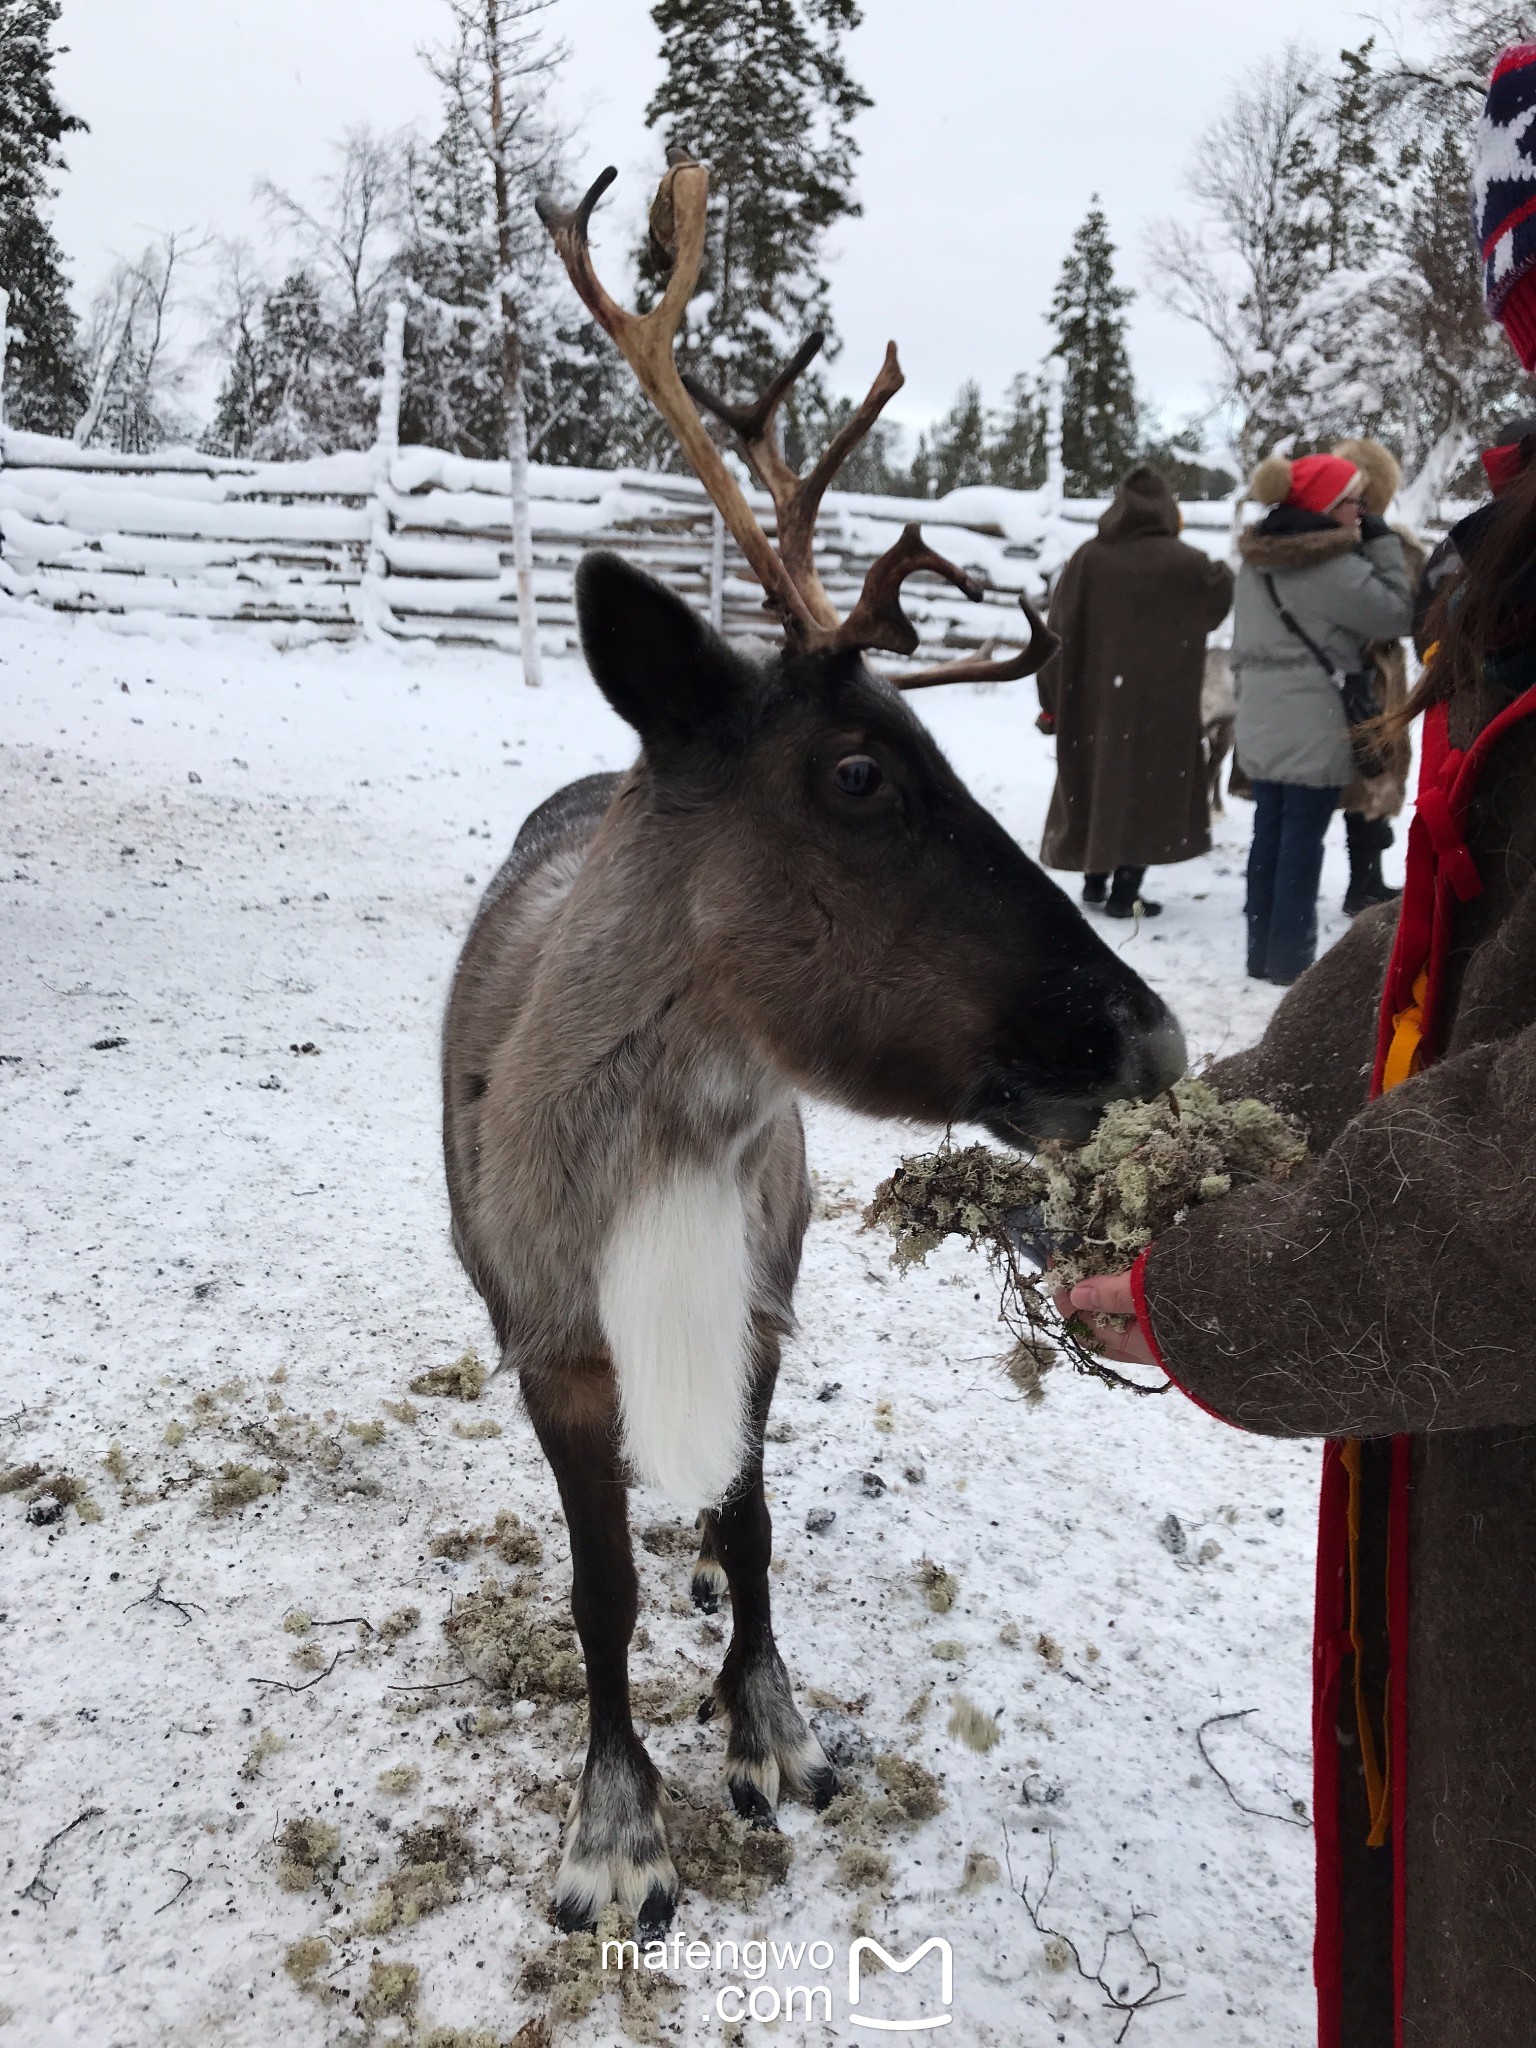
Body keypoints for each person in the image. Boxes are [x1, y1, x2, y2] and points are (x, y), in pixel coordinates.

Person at [1057, 44, 1536, 2043]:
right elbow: (1464, 932)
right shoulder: (1451, 554)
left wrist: (1234, 1277)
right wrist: (1248, 1111)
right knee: (1275, 878)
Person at [1231, 450, 1412, 982]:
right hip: (1313, 717)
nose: (1360, 511)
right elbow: (1396, 611)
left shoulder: (1256, 560)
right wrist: (1382, 544)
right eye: (1353, 502)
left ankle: (1261, 953)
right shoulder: (1331, 567)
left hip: (1262, 717)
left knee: (1269, 834)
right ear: (1327, 505)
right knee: (1301, 841)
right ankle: (1290, 962)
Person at [1035, 463, 1233, 918]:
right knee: (1149, 788)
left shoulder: (1087, 559)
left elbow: (1055, 635)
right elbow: (1222, 590)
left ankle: (1094, 881)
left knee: (1100, 779)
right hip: (1161, 705)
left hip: (1095, 704)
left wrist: (1052, 703)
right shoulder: (1187, 565)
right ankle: (1126, 890)